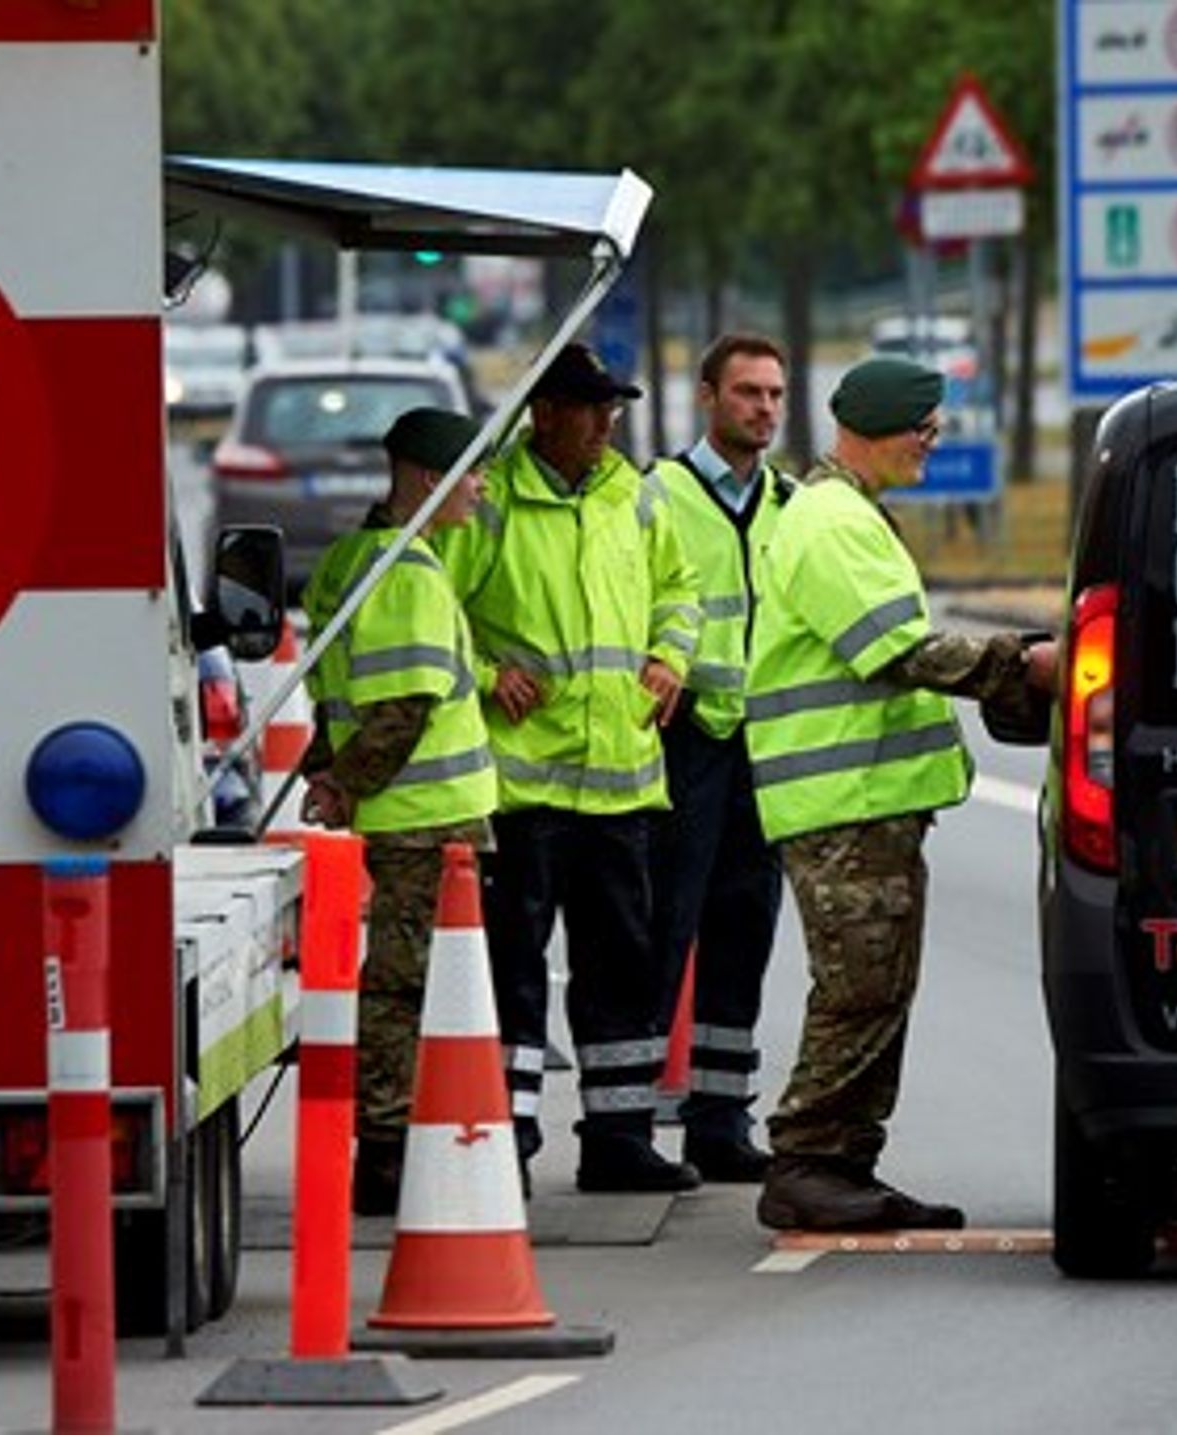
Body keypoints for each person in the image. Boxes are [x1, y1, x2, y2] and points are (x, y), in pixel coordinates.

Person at [745, 355, 1057, 1233]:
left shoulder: (848, 514)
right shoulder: (829, 521)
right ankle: (808, 1159)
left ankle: (843, 1162)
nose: (933, 441)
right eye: (924, 426)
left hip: (865, 800)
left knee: (878, 987)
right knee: (858, 989)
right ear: (880, 426)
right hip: (842, 802)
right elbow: (896, 649)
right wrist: (1023, 663)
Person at [433, 342, 706, 1194]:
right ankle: (504, 1140)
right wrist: (484, 675)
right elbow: (431, 605)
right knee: (514, 970)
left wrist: (670, 655)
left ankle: (620, 1138)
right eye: (590, 409)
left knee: (622, 966)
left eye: (612, 409)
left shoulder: (635, 495)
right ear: (544, 413)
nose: (606, 424)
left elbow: (681, 590)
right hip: (525, 788)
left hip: (621, 782)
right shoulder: (494, 505)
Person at [296, 405, 501, 1217]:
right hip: (426, 819)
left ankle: (390, 1141)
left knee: (396, 984)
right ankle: (388, 1152)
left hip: (399, 817)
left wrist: (331, 772)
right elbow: (401, 708)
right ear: (427, 478)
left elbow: (329, 692)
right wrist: (346, 782)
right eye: (471, 475)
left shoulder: (352, 559)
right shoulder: (408, 574)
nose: (481, 490)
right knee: (406, 989)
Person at [644, 333, 793, 1182]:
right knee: (665, 927)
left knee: (746, 932)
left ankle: (719, 1120)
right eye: (747, 393)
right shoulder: (660, 493)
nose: (763, 409)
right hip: (683, 736)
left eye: (774, 394)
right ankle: (623, 1124)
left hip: (760, 747)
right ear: (708, 397)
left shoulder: (788, 502)